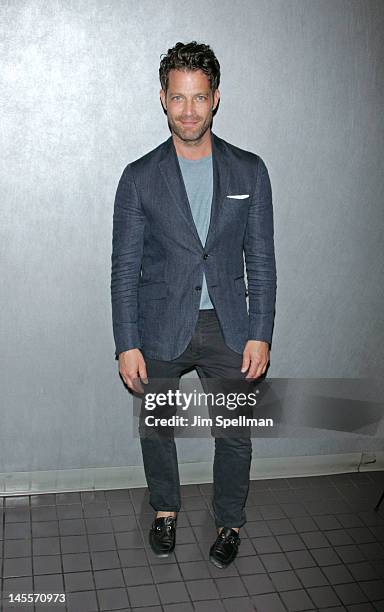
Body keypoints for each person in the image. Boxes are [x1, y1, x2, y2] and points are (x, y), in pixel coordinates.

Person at [111, 41, 277, 568]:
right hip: (160, 327)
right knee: (157, 430)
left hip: (230, 327)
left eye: (199, 98)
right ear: (163, 98)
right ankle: (165, 509)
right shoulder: (139, 177)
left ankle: (229, 521)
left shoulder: (250, 171)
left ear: (216, 99)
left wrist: (261, 331)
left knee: (235, 436)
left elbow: (263, 262)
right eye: (178, 98)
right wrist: (126, 342)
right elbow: (124, 269)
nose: (188, 111)